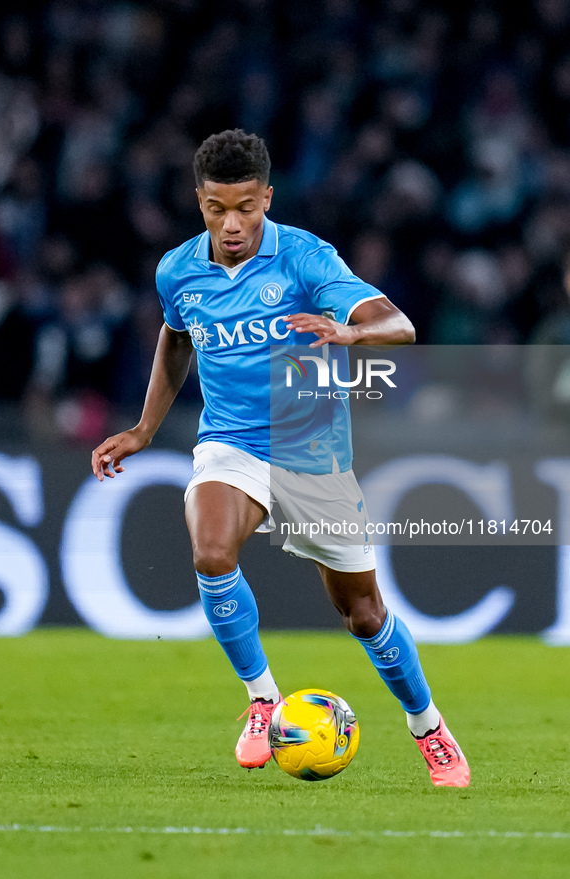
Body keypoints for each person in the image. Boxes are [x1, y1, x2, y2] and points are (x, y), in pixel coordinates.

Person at [91, 129, 470, 787]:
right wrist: (146, 427)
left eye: (245, 207)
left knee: (364, 614)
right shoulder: (178, 269)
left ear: (266, 197)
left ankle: (428, 726)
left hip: (312, 453)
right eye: (217, 208)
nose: (232, 224)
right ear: (199, 201)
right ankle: (263, 697)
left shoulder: (302, 258)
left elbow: (400, 324)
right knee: (211, 551)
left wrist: (348, 329)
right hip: (230, 441)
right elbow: (176, 336)